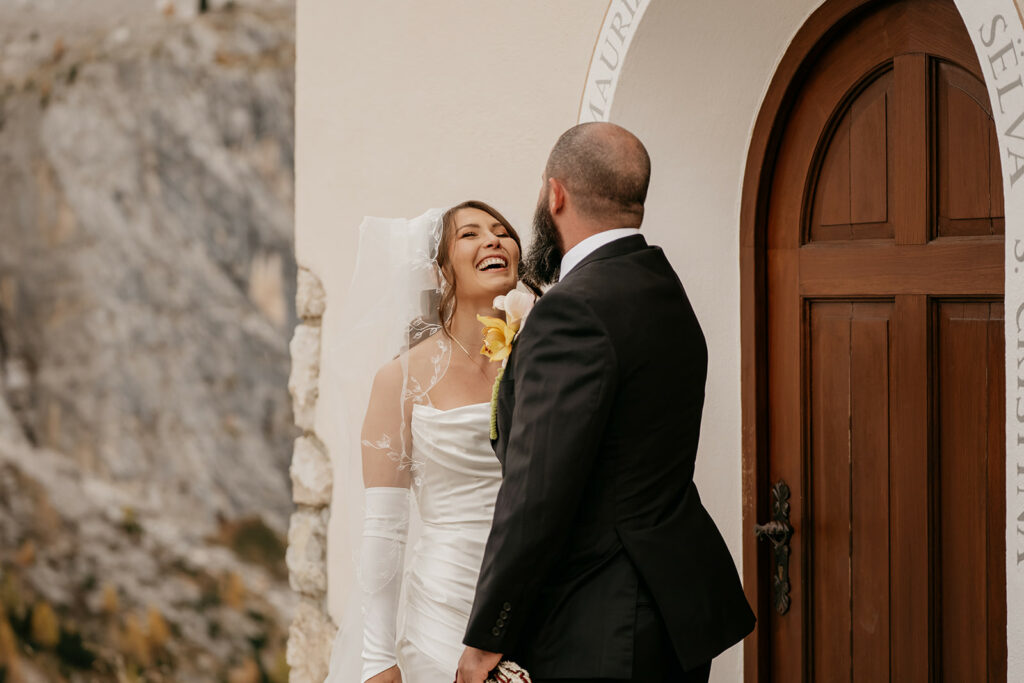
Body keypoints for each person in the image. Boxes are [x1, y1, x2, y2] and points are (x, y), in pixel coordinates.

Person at [457, 123, 756, 683]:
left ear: (556, 194)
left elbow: (536, 494)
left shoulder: (572, 311)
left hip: (603, 619)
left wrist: (484, 641)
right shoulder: (663, 288)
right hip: (674, 609)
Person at [324, 201, 531, 683]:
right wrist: (377, 657)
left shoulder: (544, 357)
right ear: (440, 271)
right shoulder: (401, 379)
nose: (493, 240)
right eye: (471, 234)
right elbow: (385, 528)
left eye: (502, 232)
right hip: (445, 608)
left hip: (542, 603)